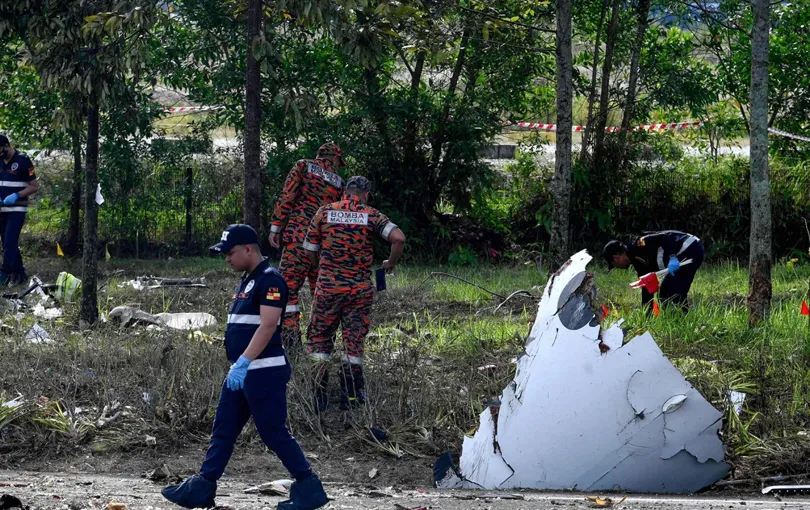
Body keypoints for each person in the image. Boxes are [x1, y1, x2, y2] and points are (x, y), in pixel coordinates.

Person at [162, 224, 328, 510]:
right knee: (223, 429)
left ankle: (309, 487)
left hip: (263, 371)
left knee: (273, 432)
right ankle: (202, 487)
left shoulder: (270, 280)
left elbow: (268, 326)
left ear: (249, 249)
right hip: (241, 372)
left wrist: (244, 361)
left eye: (230, 252)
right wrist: (238, 365)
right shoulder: (248, 280)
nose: (226, 258)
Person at [303, 176, 405, 411]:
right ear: (366, 195)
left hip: (328, 287)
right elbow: (399, 238)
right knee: (353, 339)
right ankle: (351, 396)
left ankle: (318, 396)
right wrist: (390, 263)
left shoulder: (324, 212)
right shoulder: (370, 214)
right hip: (359, 291)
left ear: (345, 192)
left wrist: (323, 269)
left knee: (319, 337)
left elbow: (309, 249)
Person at [269, 143, 345, 348]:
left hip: (298, 238)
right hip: (323, 244)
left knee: (287, 289)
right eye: (339, 162)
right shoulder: (339, 182)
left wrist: (276, 226)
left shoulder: (303, 166)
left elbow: (288, 195)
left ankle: (291, 339)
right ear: (334, 158)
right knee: (320, 293)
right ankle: (321, 342)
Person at [603, 230, 704, 311]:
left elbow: (663, 237)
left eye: (614, 265)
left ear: (616, 258)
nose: (617, 267)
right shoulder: (638, 263)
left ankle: (682, 321)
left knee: (670, 294)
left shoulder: (638, 244)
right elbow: (647, 289)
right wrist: (647, 314)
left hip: (690, 248)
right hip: (687, 252)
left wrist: (672, 257)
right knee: (666, 294)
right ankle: (683, 318)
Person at [0, 134, 40, 286]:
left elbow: (34, 186)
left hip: (17, 208)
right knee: (6, 242)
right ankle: (20, 272)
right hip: (2, 208)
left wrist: (16, 195)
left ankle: (5, 273)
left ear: (6, 146)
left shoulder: (23, 160)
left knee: (10, 241)